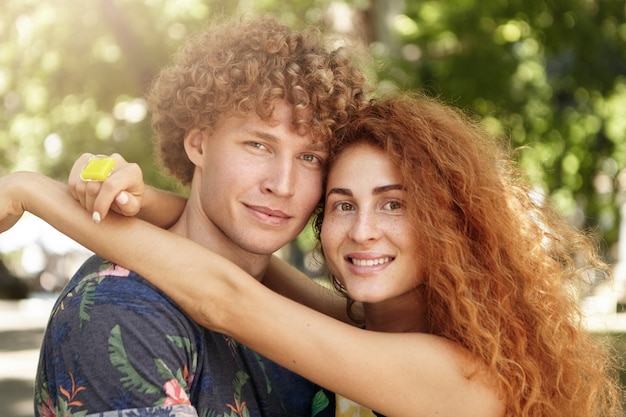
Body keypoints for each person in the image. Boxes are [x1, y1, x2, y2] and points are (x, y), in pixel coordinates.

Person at [1, 92, 623, 417]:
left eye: (395, 204)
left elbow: (227, 296)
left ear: (448, 226)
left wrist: (32, 191)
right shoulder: (355, 329)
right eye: (344, 205)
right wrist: (128, 196)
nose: (362, 232)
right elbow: (249, 261)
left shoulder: (461, 380)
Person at [23, 15, 368, 417]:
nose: (283, 184)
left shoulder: (301, 314)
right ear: (198, 144)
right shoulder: (118, 309)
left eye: (310, 157)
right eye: (258, 145)